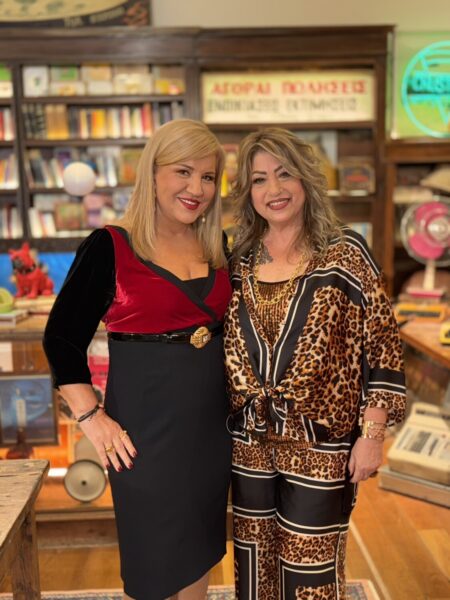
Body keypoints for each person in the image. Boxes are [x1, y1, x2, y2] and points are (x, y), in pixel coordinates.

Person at [43, 119, 232, 600]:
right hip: (144, 436)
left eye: (208, 177)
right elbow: (62, 339)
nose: (196, 189)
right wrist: (91, 418)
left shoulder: (219, 246)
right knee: (153, 566)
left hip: (212, 432)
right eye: (183, 172)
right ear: (152, 172)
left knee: (199, 551)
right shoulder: (110, 245)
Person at [224, 128, 406, 600]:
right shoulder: (238, 258)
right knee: (254, 563)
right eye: (259, 179)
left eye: (284, 174)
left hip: (322, 443)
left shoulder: (345, 253)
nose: (274, 189)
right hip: (249, 444)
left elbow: (383, 346)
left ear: (306, 178)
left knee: (311, 570)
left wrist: (372, 436)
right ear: (248, 192)